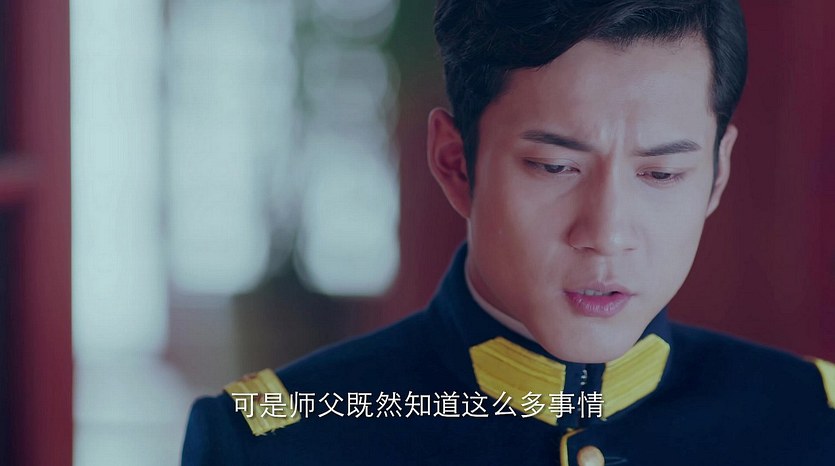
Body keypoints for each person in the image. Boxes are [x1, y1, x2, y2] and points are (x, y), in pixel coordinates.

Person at [182, 1, 835, 464]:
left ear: (718, 174)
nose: (607, 234)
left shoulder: (810, 420)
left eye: (661, 173)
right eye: (553, 166)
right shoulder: (277, 440)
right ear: (454, 163)